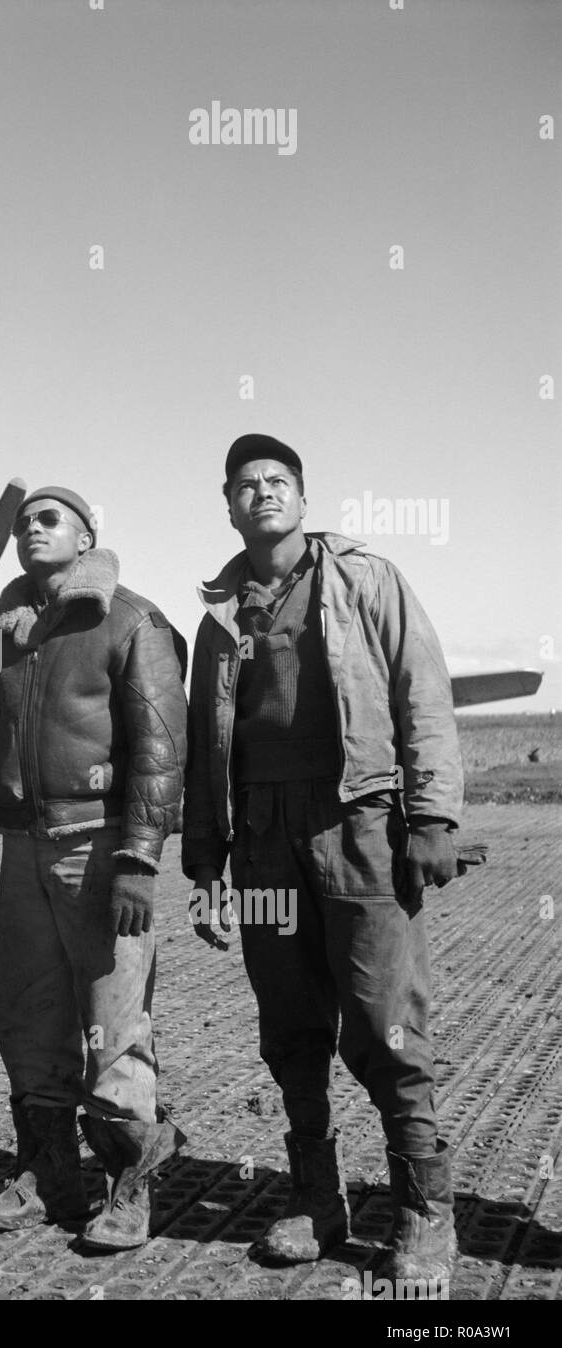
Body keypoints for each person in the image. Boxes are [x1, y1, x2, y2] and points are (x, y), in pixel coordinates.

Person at [183, 434, 462, 1287]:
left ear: (302, 500)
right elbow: (205, 746)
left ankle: (424, 1210)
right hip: (263, 843)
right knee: (289, 1022)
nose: (261, 493)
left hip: (358, 830)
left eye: (277, 481)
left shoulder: (364, 580)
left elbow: (422, 691)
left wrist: (434, 816)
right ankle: (316, 1197)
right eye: (245, 485)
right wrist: (205, 865)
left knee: (384, 1017)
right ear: (227, 506)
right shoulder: (217, 616)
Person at [0, 487, 189, 1251]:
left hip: (100, 847)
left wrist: (140, 859)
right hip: (19, 850)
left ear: (85, 538)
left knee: (113, 1020)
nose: (30, 529)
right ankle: (46, 1174)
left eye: (48, 519)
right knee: (27, 1016)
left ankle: (127, 1182)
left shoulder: (130, 619)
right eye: (21, 522)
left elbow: (159, 748)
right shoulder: (0, 635)